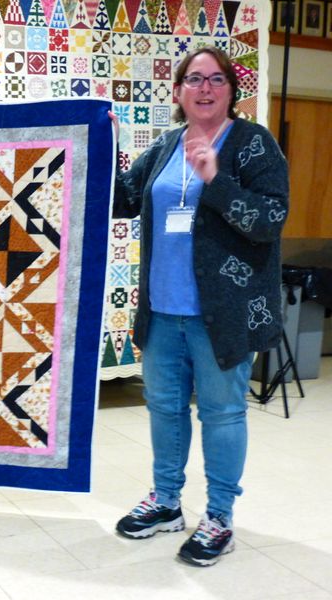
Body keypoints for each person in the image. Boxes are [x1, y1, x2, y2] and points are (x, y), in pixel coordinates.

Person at [109, 47, 289, 566]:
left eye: (216, 79)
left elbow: (269, 220)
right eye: (194, 78)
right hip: (162, 310)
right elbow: (121, 200)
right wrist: (105, 143)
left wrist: (216, 179)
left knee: (222, 414)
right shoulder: (166, 145)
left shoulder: (253, 144)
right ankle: (166, 502)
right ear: (178, 90)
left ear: (232, 89)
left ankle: (219, 517)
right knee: (164, 409)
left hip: (224, 314)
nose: (204, 88)